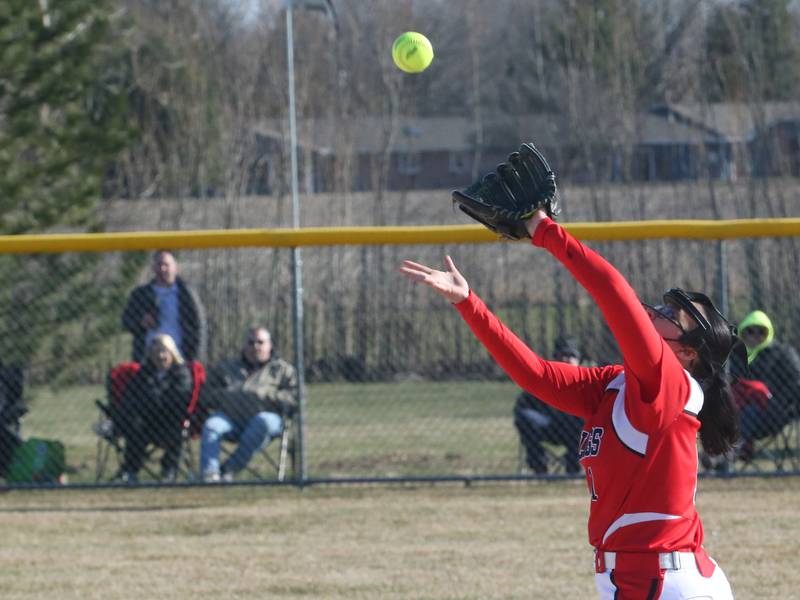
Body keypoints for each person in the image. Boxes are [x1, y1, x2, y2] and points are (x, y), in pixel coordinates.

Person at [401, 209, 739, 599]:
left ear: (687, 353)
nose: (654, 313)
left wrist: (545, 231)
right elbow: (537, 376)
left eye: (670, 316)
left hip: (664, 582)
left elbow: (614, 293)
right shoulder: (617, 383)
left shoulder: (669, 387)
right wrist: (468, 303)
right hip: (640, 576)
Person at [200, 326, 297, 482]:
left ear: (270, 345)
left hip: (267, 421)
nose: (255, 347)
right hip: (231, 419)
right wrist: (228, 396)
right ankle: (210, 475)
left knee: (263, 421)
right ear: (244, 346)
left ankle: (228, 469)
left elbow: (295, 398)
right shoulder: (226, 367)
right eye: (251, 342)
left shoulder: (282, 370)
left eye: (260, 342)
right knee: (212, 425)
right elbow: (206, 394)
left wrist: (264, 396)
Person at [116, 334, 193, 483]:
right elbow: (131, 398)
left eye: (165, 351)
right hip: (146, 423)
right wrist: (153, 399)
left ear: (172, 353)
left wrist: (152, 398)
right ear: (150, 355)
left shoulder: (181, 373)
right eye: (156, 352)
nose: (161, 356)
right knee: (133, 423)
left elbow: (177, 399)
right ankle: (130, 471)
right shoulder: (143, 374)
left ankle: (169, 469)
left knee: (178, 425)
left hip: (170, 421)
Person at [730, 309, 800, 462]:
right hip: (736, 408)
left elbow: (796, 382)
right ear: (742, 333)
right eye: (749, 331)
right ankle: (727, 451)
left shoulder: (782, 354)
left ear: (768, 333)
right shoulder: (735, 355)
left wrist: (778, 402)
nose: (755, 336)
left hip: (772, 412)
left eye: (761, 332)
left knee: (748, 412)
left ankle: (731, 453)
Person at [514, 335, 585, 474]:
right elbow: (523, 406)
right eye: (562, 355)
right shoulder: (544, 377)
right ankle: (539, 464)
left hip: (575, 429)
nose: (566, 359)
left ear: (578, 360)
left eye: (571, 356)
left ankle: (573, 465)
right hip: (547, 425)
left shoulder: (587, 381)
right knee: (525, 417)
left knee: (583, 420)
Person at [122, 249, 207, 364]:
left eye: (166, 265)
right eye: (159, 265)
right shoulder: (141, 294)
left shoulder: (186, 294)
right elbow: (126, 321)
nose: (162, 269)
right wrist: (141, 322)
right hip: (147, 360)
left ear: (175, 268)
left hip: (179, 358)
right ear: (153, 268)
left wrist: (195, 358)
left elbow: (199, 326)